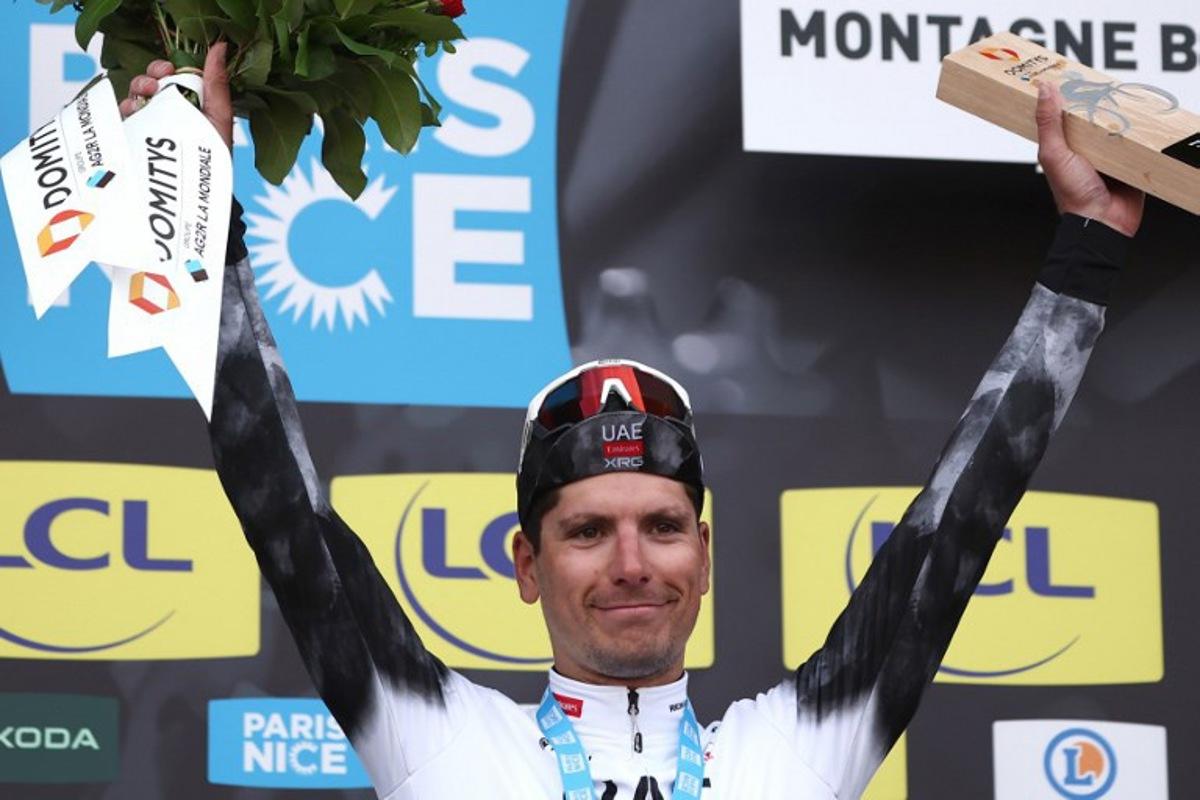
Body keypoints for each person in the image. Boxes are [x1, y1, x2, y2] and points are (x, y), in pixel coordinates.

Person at [122, 45, 1142, 800]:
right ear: (525, 563)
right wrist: (196, 217)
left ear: (705, 552)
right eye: (585, 529)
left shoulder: (791, 751)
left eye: (661, 524)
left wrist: (1089, 246)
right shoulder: (438, 737)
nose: (630, 561)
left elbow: (952, 531)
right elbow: (284, 510)